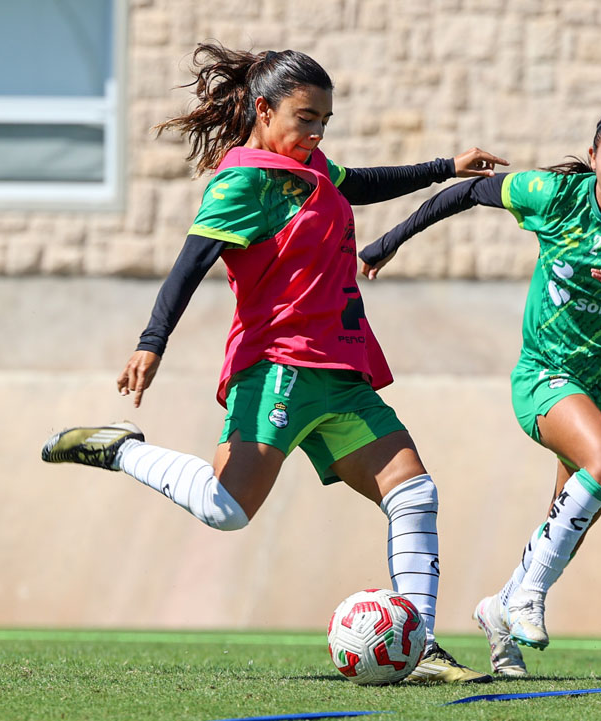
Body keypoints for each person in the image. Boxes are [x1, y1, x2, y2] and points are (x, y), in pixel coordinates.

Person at [40, 42, 507, 684]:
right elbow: (193, 259)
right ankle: (121, 449)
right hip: (280, 367)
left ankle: (420, 645)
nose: (315, 132)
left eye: (324, 121)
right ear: (264, 108)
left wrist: (443, 167)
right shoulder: (246, 178)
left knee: (414, 492)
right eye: (305, 117)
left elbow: (361, 183)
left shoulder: (311, 168)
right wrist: (152, 340)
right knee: (226, 509)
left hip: (342, 372)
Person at [359, 105, 601, 677]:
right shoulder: (553, 195)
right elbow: (466, 194)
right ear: (592, 159)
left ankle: (500, 611)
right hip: (547, 372)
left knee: (565, 522)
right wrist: (391, 240)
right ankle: (523, 599)